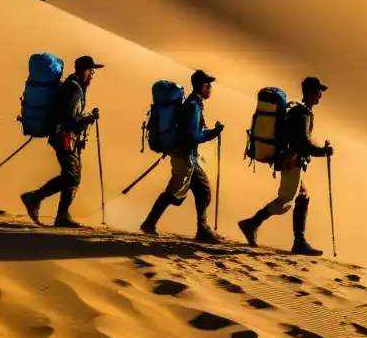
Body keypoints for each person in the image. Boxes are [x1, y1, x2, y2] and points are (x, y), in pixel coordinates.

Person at [238, 76, 333, 256]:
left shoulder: (298, 109)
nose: (320, 95)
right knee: (285, 202)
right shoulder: (302, 113)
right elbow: (302, 143)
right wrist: (323, 151)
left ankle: (299, 240)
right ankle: (252, 224)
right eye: (319, 91)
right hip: (292, 161)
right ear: (312, 93)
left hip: (290, 159)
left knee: (303, 195)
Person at [140, 69, 225, 243]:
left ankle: (202, 228)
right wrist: (212, 133)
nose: (210, 88)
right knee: (175, 193)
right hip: (184, 156)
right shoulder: (193, 106)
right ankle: (149, 223)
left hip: (187, 156)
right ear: (201, 87)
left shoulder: (194, 103)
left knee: (202, 191)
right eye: (208, 85)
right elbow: (193, 136)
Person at [20, 55, 103, 228]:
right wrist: (89, 118)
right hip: (64, 138)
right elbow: (71, 117)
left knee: (73, 176)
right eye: (91, 70)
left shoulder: (74, 86)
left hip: (67, 137)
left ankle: (62, 216)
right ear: (84, 71)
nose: (93, 74)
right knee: (71, 177)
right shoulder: (73, 89)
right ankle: (34, 198)